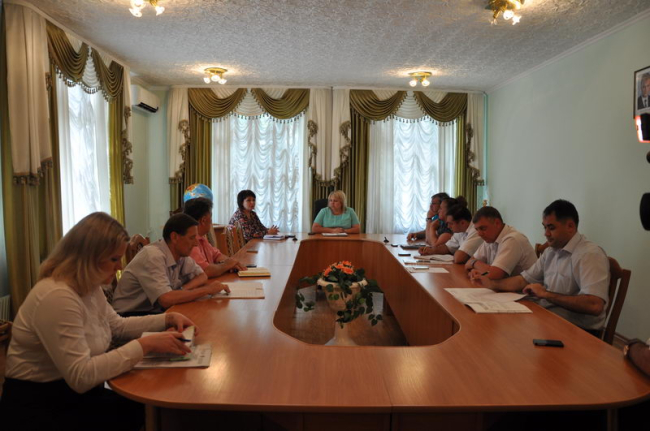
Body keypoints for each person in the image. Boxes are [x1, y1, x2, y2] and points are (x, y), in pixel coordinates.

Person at [0, 212, 196, 431]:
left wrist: (167, 318)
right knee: (149, 409)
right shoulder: (57, 295)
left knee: (154, 405)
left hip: (74, 394)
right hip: (40, 407)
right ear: (88, 256)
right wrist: (145, 345)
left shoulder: (88, 286)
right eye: (114, 259)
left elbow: (117, 325)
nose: (120, 266)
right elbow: (81, 376)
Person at [475, 200, 609, 331]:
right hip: (549, 317)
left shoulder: (590, 254)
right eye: (545, 227)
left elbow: (594, 305)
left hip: (578, 330)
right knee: (500, 328)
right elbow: (523, 280)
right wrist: (492, 284)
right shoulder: (551, 252)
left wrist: (546, 294)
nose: (546, 233)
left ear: (570, 226)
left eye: (551, 228)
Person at [112, 213, 230, 316]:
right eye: (192, 238)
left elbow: (202, 276)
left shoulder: (180, 254)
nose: (195, 243)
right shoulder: (153, 256)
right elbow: (166, 300)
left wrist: (182, 290)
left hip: (154, 310)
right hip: (129, 316)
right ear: (174, 237)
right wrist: (207, 290)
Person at [465, 206, 537, 280]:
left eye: (483, 228)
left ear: (497, 223)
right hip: (505, 285)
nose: (479, 234)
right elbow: (469, 263)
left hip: (525, 287)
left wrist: (474, 263)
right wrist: (475, 270)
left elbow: (494, 274)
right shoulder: (490, 239)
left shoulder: (513, 239)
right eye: (477, 229)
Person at [184, 197, 246, 277]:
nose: (211, 222)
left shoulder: (202, 238)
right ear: (203, 220)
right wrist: (227, 265)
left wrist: (230, 263)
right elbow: (205, 271)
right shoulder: (189, 242)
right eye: (211, 218)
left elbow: (217, 255)